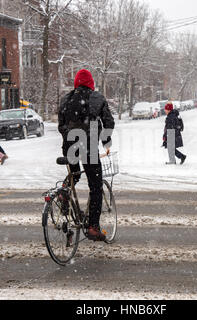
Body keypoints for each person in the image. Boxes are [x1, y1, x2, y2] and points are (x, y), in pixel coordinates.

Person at [58, 69, 115, 242]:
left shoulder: (66, 99)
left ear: (76, 83)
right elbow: (109, 122)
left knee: (74, 175)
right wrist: (105, 141)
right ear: (91, 83)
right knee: (96, 187)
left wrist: (69, 137)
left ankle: (63, 191)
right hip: (88, 146)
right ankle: (93, 227)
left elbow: (61, 125)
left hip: (70, 146)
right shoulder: (97, 98)